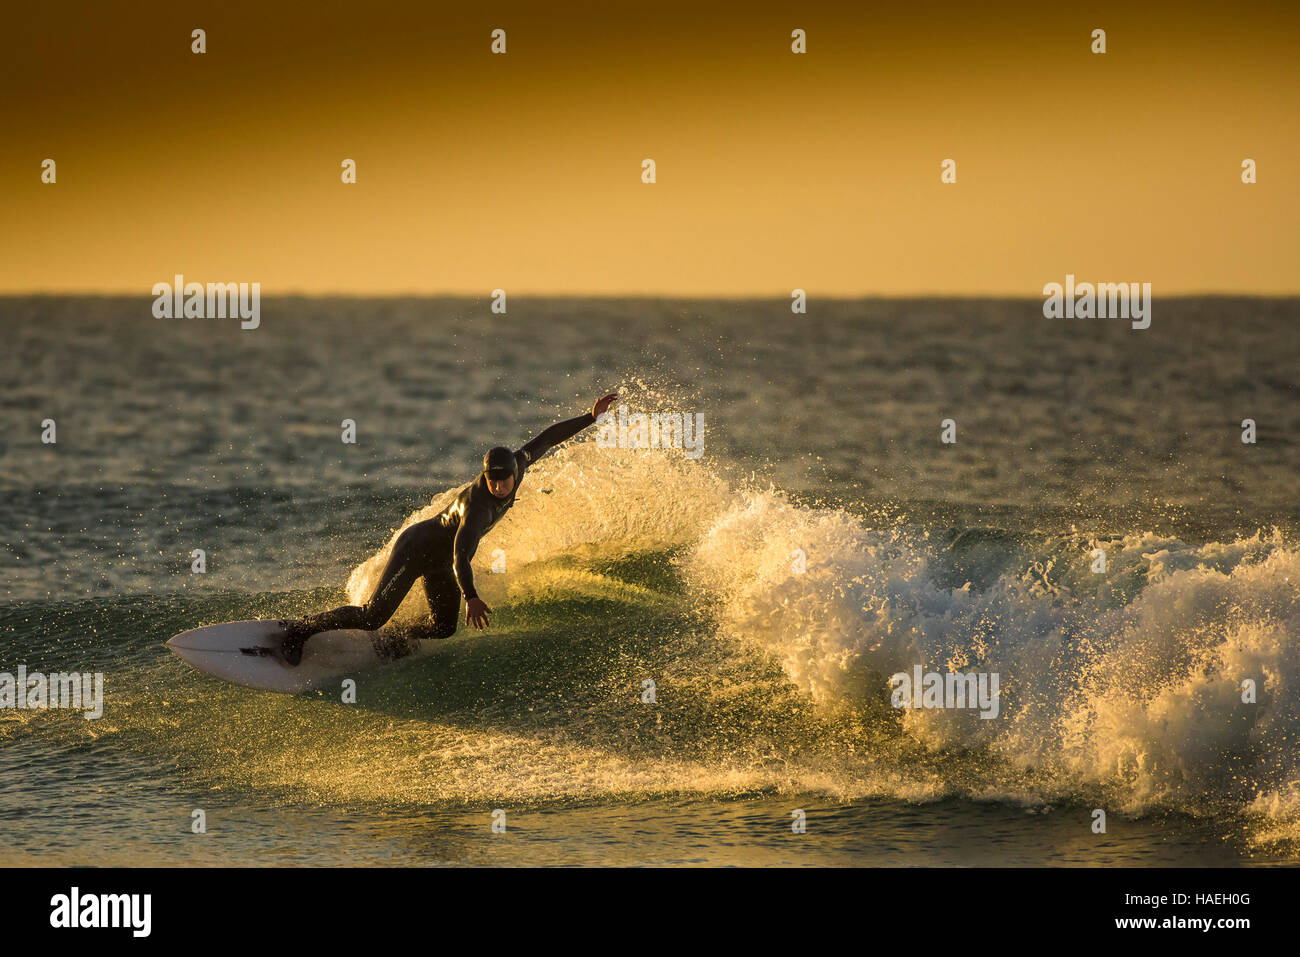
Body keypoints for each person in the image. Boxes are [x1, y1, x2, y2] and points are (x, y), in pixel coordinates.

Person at [276, 392, 618, 665]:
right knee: (371, 616)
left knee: (442, 628)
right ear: (485, 476)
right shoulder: (478, 508)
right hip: (417, 549)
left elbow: (548, 437)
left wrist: (590, 417)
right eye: (493, 480)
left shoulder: (520, 462)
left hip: (439, 560)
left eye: (504, 480)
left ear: (514, 469)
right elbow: (460, 556)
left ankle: (397, 637)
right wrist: (471, 596)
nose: (499, 487)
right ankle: (300, 630)